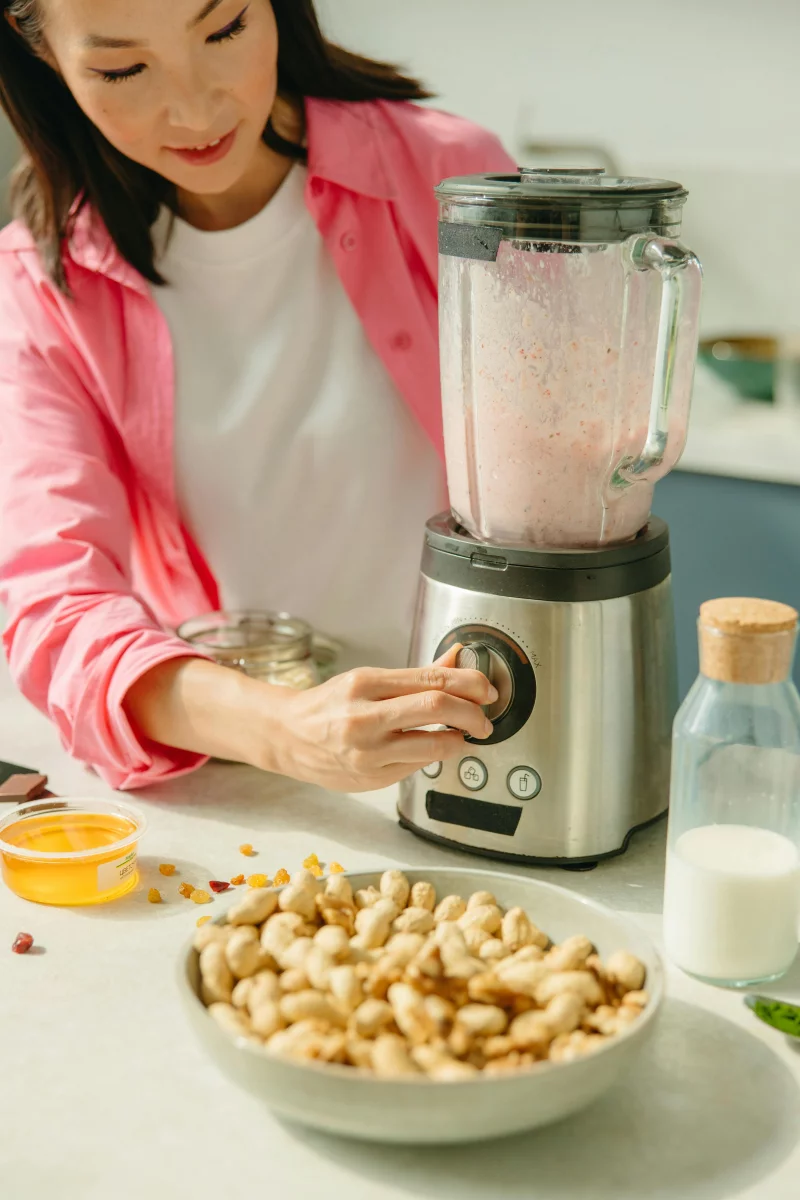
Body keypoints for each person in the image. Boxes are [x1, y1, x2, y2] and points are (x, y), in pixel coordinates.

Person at [0, 0, 514, 794]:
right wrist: (285, 731)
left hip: (481, 744)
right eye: (123, 69)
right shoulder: (42, 278)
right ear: (43, 59)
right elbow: (54, 600)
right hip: (237, 768)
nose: (197, 108)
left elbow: (566, 475)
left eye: (226, 29)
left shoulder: (454, 179)